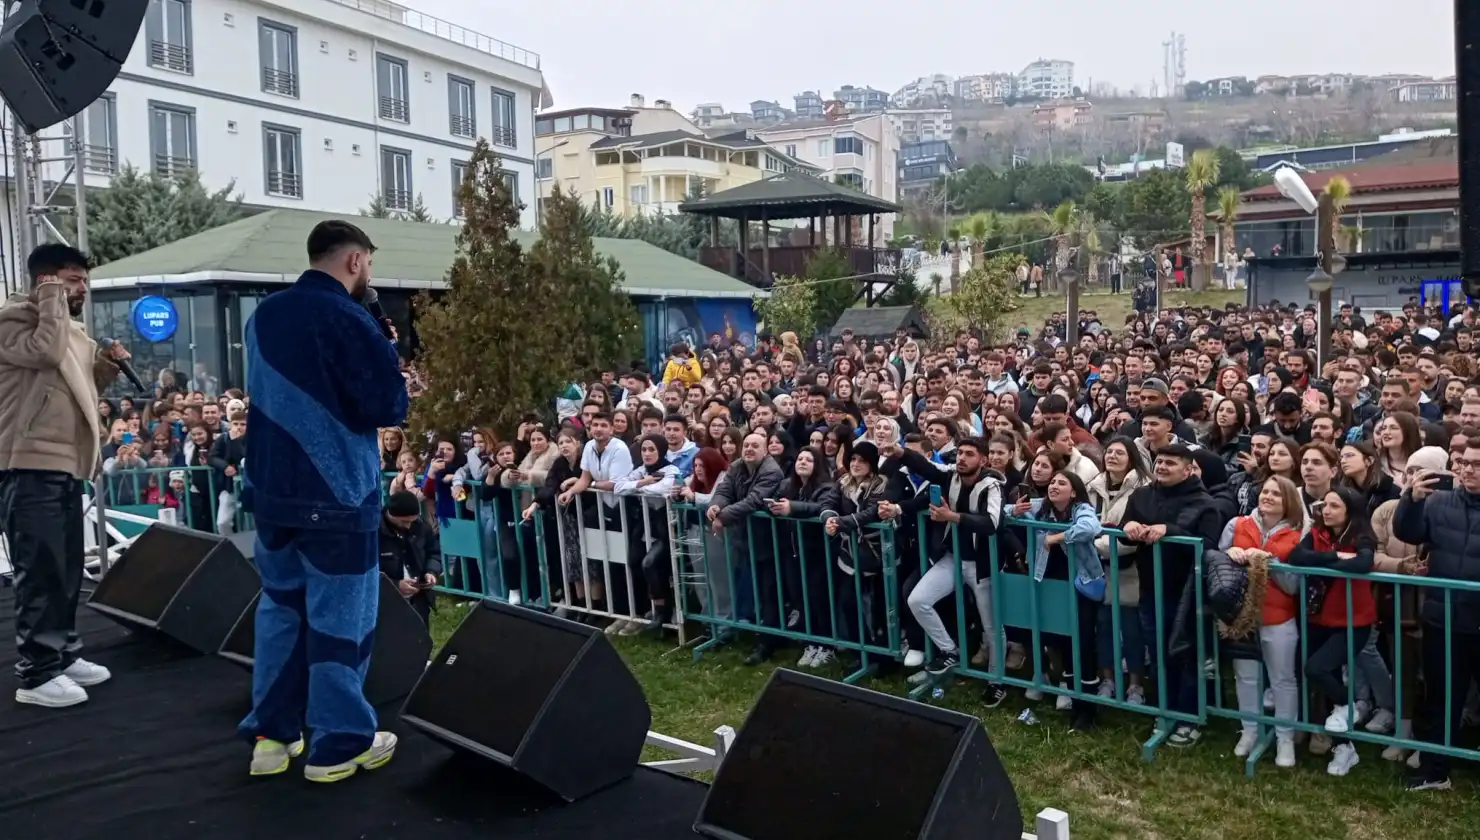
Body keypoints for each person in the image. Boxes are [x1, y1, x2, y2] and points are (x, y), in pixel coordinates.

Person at [236, 220, 409, 782]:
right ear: (356, 262)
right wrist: (386, 349)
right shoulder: (349, 317)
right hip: (336, 494)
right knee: (341, 619)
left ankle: (272, 736)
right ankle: (338, 745)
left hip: (272, 492)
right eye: (370, 266)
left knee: (281, 613)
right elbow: (386, 405)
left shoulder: (263, 314)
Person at [0, 243, 127, 708]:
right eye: (72, 280)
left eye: (83, 280)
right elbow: (44, 354)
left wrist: (104, 366)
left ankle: (63, 653)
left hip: (64, 464)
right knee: (40, 571)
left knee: (67, 566)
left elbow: (73, 385)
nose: (82, 289)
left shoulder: (67, 328)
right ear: (46, 280)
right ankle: (35, 674)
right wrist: (50, 298)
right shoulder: (14, 318)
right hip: (27, 462)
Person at [377, 491, 441, 624]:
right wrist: (395, 585)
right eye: (404, 521)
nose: (408, 526)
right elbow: (368, 571)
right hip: (384, 603)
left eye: (412, 520)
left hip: (419, 600)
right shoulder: (374, 534)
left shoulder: (422, 528)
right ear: (390, 514)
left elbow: (434, 553)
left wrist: (431, 572)